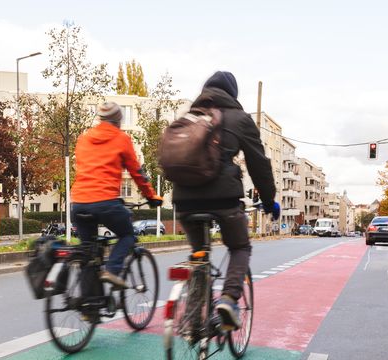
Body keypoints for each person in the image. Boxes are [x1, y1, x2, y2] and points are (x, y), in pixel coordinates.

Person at [172, 71, 279, 329]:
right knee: (239, 247)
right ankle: (229, 300)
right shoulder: (240, 119)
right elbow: (259, 165)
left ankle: (193, 321)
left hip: (184, 202)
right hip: (223, 200)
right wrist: (268, 199)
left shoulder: (187, 118)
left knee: (199, 257)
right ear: (233, 94)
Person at [72, 101, 163, 288]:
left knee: (88, 252)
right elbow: (137, 172)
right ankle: (112, 271)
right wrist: (151, 196)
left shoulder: (83, 138)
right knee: (128, 235)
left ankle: (90, 308)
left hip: (79, 203)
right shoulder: (122, 139)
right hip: (105, 202)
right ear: (118, 120)